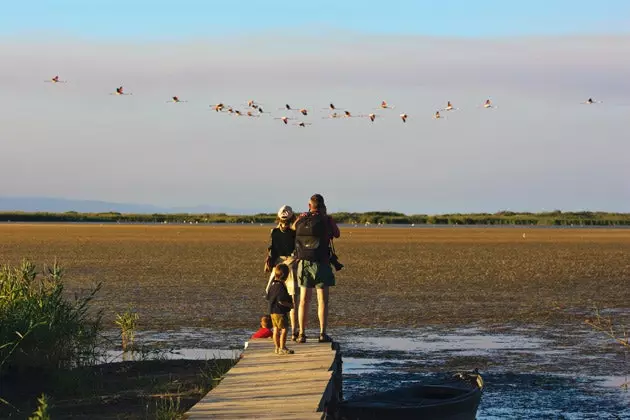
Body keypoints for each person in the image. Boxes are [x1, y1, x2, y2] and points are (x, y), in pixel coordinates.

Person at [293, 193, 340, 344]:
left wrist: (302, 217)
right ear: (323, 205)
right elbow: (337, 234)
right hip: (322, 263)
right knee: (323, 301)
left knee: (303, 301)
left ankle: (301, 334)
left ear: (309, 205)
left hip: (304, 263)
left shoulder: (303, 218)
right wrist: (327, 217)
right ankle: (322, 333)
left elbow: (294, 228)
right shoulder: (327, 220)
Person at [264, 205, 300, 341]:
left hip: (289, 263)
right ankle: (285, 329)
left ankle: (293, 330)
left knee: (290, 297)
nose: (284, 224)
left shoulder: (292, 232)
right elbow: (272, 249)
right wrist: (268, 260)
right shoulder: (275, 232)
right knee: (276, 294)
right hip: (280, 265)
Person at [266, 264, 295, 354]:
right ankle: (282, 347)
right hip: (280, 312)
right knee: (284, 329)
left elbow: (268, 297)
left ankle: (277, 348)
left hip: (272, 311)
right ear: (286, 276)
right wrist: (290, 305)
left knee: (275, 329)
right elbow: (281, 301)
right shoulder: (280, 286)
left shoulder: (273, 284)